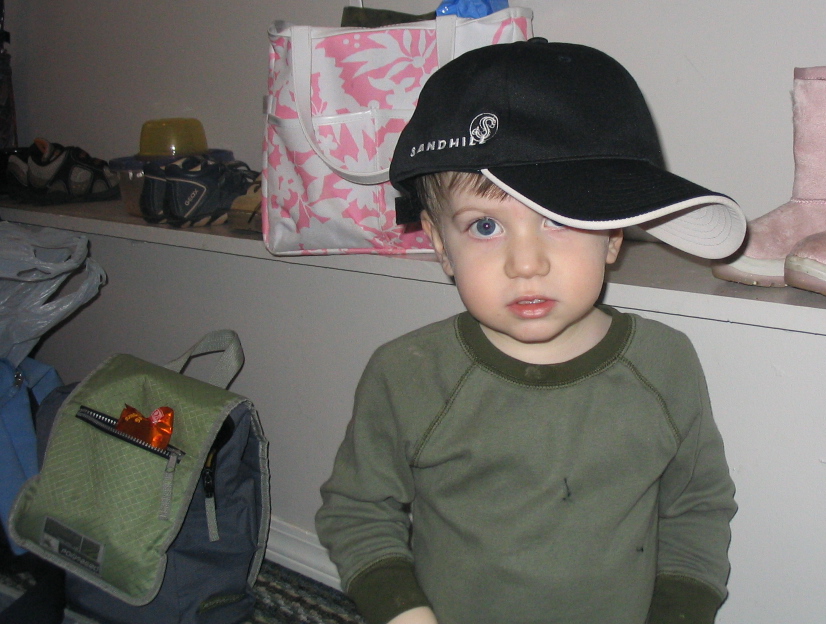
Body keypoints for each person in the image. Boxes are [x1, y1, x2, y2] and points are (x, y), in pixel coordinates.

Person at [315, 39, 747, 624]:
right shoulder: (406, 374)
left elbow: (696, 507)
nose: (526, 263)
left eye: (559, 220)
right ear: (440, 244)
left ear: (613, 235)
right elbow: (358, 511)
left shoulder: (666, 364)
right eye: (485, 226)